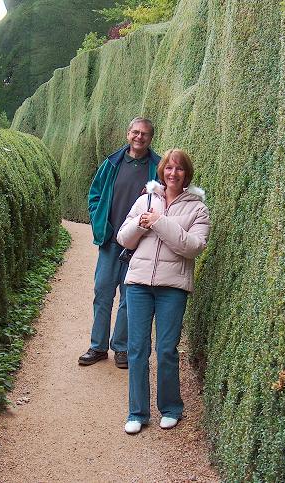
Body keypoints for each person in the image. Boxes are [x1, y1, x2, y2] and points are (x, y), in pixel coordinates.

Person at [117, 148, 210, 433]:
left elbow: (193, 247)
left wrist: (158, 221)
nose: (172, 173)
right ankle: (137, 413)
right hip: (138, 285)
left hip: (173, 288)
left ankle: (171, 408)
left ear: (187, 174)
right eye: (168, 168)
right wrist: (140, 224)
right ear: (162, 171)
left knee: (166, 350)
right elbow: (124, 238)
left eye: (179, 169)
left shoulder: (197, 208)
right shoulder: (145, 199)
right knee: (137, 349)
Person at [78, 117, 161, 369]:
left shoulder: (157, 168)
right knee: (102, 292)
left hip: (139, 243)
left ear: (150, 138)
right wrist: (98, 221)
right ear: (128, 134)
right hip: (110, 241)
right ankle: (98, 346)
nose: (139, 137)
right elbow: (94, 194)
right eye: (135, 132)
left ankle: (121, 348)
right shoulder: (111, 164)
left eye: (144, 134)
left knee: (128, 297)